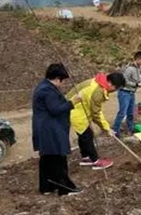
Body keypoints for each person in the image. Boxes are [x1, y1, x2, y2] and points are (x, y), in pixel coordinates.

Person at [32, 64, 83, 196]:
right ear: (57, 78)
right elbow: (55, 110)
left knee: (47, 158)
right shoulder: (47, 91)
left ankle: (47, 187)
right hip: (51, 129)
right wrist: (73, 102)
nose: (63, 83)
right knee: (58, 159)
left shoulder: (43, 87)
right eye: (63, 80)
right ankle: (65, 188)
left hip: (46, 128)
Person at [66, 72, 126, 170]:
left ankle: (85, 158)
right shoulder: (98, 91)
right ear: (111, 84)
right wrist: (107, 129)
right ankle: (96, 161)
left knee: (84, 134)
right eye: (116, 88)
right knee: (87, 136)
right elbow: (96, 114)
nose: (115, 91)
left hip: (78, 110)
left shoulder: (97, 82)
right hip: (75, 112)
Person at [112, 51, 141, 138]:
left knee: (131, 112)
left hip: (132, 93)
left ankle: (131, 129)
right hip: (124, 92)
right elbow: (124, 81)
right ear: (137, 59)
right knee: (122, 112)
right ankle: (115, 130)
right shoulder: (129, 69)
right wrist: (136, 84)